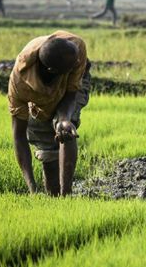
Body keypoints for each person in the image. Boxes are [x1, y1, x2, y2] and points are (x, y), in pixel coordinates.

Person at [8, 31, 90, 196]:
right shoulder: (20, 84)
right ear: (53, 71)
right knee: (47, 145)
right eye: (73, 65)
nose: (79, 63)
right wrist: (32, 188)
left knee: (66, 130)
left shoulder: (75, 48)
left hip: (68, 90)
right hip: (40, 96)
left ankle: (66, 195)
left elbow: (71, 93)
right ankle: (53, 197)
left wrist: (65, 119)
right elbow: (19, 135)